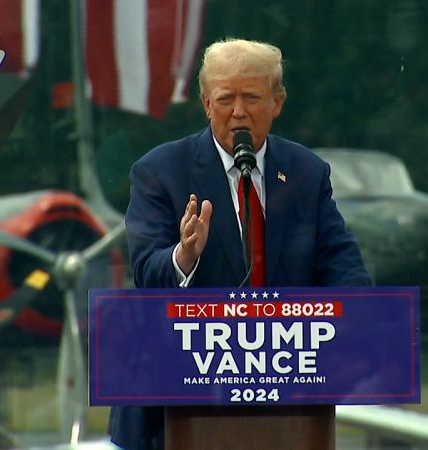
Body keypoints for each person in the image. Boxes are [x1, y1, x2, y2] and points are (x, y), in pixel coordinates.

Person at [108, 37, 371, 450]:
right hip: (175, 408)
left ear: (277, 103)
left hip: (287, 403)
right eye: (225, 99)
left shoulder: (306, 172)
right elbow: (146, 272)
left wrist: (360, 319)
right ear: (206, 104)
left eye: (251, 97)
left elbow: (342, 264)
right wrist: (183, 257)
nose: (238, 112)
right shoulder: (160, 171)